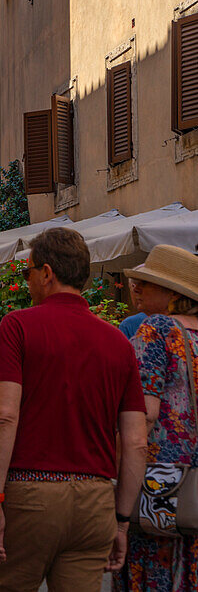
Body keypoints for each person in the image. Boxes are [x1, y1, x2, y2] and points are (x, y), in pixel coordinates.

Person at [0, 227, 148, 592]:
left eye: (28, 273)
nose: (26, 282)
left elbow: (4, 415)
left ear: (46, 273)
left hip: (30, 495)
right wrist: (120, 521)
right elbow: (135, 441)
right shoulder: (119, 343)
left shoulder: (18, 326)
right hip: (95, 502)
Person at [117, 245, 198, 592]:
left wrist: (119, 512)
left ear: (173, 292)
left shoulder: (157, 330)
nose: (136, 287)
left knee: (153, 568)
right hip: (195, 484)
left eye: (147, 282)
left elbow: (143, 417)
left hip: (160, 482)